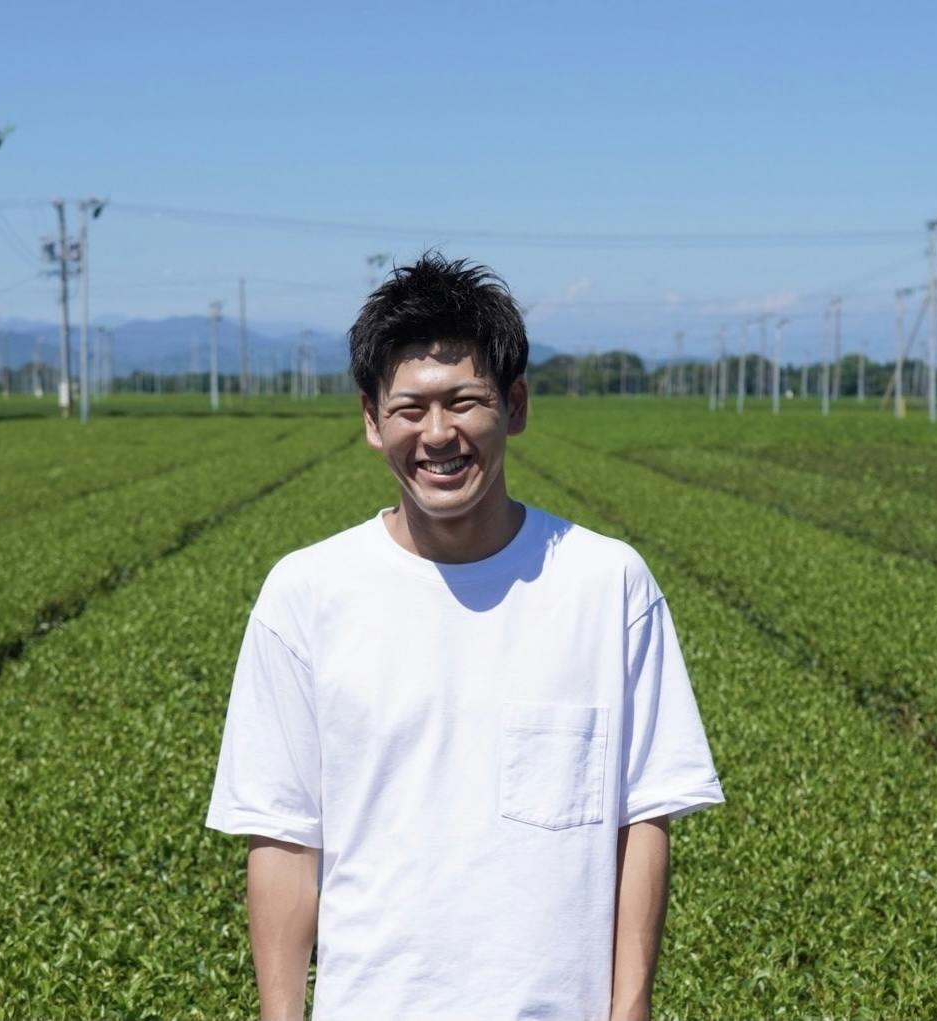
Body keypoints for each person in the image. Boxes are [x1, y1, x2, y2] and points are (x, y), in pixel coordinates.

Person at [206, 253, 724, 1021]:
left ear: (515, 405)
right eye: (410, 408)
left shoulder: (606, 584)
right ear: (372, 420)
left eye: (465, 401)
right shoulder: (306, 594)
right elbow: (283, 838)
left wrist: (631, 1007)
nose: (438, 433)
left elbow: (642, 819)